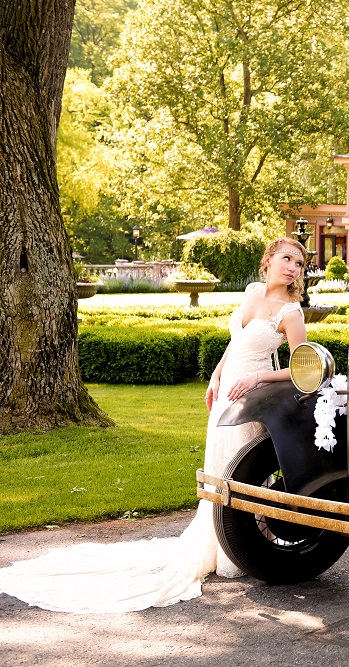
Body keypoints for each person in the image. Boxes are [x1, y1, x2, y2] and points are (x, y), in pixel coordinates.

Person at [0, 237, 308, 612]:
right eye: (287, 258)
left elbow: (300, 367)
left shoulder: (290, 312)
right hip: (227, 390)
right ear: (269, 260)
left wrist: (259, 379)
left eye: (300, 263)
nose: (293, 267)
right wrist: (215, 373)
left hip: (251, 398)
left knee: (240, 472)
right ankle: (218, 541)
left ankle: (246, 547)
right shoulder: (252, 291)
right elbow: (238, 342)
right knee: (217, 468)